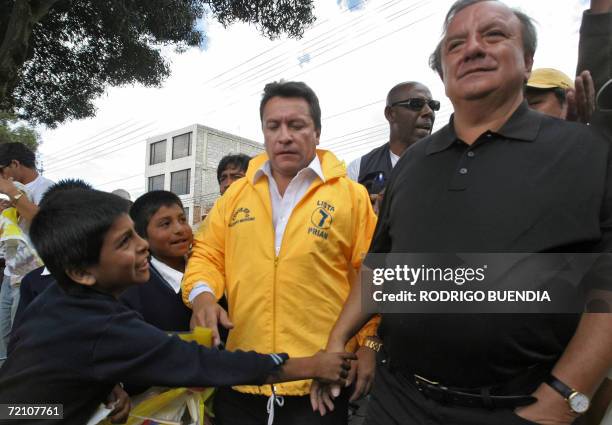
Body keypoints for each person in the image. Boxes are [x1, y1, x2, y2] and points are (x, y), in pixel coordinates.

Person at [312, 1, 612, 425]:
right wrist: (338, 337)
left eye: (493, 35)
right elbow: (382, 268)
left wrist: (565, 396)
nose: (472, 49)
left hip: (521, 408)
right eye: (456, 43)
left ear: (527, 60)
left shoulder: (586, 154)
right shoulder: (412, 164)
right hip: (397, 401)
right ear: (443, 72)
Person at [0, 188, 356, 425]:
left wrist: (101, 387)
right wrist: (312, 364)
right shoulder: (105, 326)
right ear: (81, 271)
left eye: (136, 233)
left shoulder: (57, 298)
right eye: (125, 242)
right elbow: (206, 364)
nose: (142, 247)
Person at [182, 80, 378, 425]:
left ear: (316, 132)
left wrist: (368, 344)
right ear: (264, 132)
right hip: (243, 378)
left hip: (320, 384)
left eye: (297, 125)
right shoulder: (235, 196)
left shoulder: (351, 197)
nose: (284, 135)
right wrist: (202, 295)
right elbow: (208, 254)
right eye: (274, 126)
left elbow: (374, 274)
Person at [0, 142, 53, 365]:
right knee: (3, 336)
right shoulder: (15, 194)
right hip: (11, 272)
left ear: (14, 164)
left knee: (20, 337)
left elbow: (45, 221)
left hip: (32, 273)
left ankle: (18, 390)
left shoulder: (47, 187)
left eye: (1, 172)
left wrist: (12, 193)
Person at [346, 82, 438, 195]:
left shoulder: (448, 163)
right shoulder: (358, 170)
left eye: (433, 105)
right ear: (390, 114)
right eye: (416, 104)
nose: (428, 112)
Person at [121, 190, 193, 332]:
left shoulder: (207, 270)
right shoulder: (135, 288)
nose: (179, 229)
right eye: (166, 224)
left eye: (182, 219)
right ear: (142, 237)